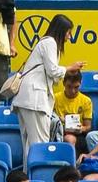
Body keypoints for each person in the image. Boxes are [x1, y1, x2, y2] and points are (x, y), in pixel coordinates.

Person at [9, 14, 72, 156]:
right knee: (40, 144)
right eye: (68, 32)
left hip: (27, 99)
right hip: (34, 100)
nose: (69, 37)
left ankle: (28, 178)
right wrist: (69, 68)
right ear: (61, 31)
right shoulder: (50, 42)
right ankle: (38, 177)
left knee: (29, 146)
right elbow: (53, 71)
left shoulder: (44, 43)